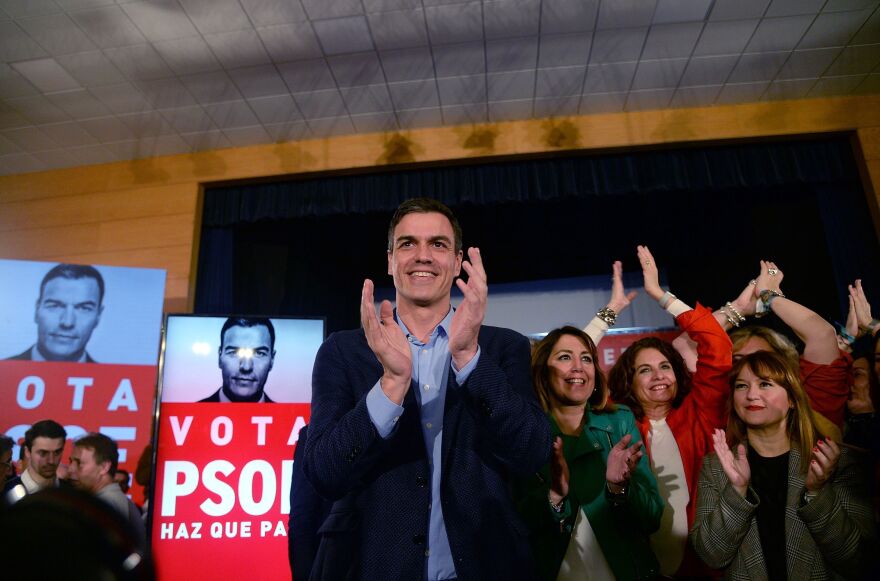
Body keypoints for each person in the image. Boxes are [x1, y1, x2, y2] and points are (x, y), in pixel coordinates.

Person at [302, 197, 552, 580]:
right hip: (372, 566)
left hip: (486, 563)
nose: (423, 256)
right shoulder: (342, 350)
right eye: (407, 244)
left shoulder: (504, 347)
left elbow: (531, 453)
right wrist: (391, 385)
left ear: (456, 263)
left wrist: (470, 356)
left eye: (438, 244)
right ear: (390, 260)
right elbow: (324, 473)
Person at [690, 350, 874, 579]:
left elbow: (857, 560)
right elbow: (712, 556)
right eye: (741, 386)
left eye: (765, 384)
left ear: (792, 399)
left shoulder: (834, 461)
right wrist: (737, 491)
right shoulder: (716, 466)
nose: (751, 395)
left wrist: (816, 493)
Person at [607, 245, 732, 577]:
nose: (658, 375)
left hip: (704, 566)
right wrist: (610, 312)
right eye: (645, 370)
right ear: (628, 382)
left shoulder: (700, 411)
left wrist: (660, 295)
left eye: (665, 366)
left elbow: (716, 344)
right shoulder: (619, 426)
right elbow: (572, 372)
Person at [518, 326, 663, 580]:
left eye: (586, 358)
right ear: (542, 371)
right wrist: (554, 496)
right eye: (565, 357)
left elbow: (652, 518)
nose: (578, 366)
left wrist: (619, 489)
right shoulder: (522, 432)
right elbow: (514, 528)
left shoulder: (620, 422)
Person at [6, 263, 104, 362]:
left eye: (84, 308)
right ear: (37, 310)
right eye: (55, 306)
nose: (67, 322)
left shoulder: (108, 376)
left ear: (98, 316)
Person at [68, 433, 146, 551]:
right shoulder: (112, 501)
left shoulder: (106, 505)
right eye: (71, 462)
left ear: (104, 467)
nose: (71, 469)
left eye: (79, 463)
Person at [200, 317, 277, 403]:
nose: (246, 367)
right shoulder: (195, 413)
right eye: (234, 352)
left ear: (272, 360)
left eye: (259, 353)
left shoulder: (284, 416)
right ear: (219, 357)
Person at [2, 420, 67, 503]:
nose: (51, 460)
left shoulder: (72, 494)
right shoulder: (5, 495)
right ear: (27, 452)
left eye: (57, 452)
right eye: (43, 453)